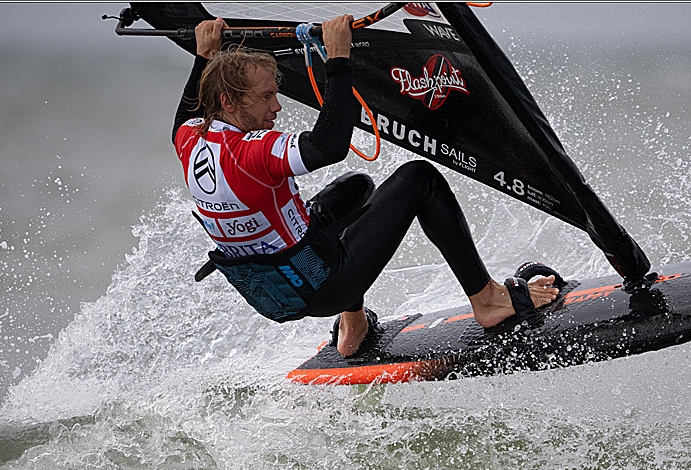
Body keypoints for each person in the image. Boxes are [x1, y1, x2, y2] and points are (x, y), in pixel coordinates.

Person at [174, 16, 558, 356]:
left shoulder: (189, 140)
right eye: (265, 97)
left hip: (275, 293)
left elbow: (187, 112)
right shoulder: (253, 151)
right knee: (420, 178)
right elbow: (328, 146)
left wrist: (204, 55)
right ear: (228, 101)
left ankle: (353, 325)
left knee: (355, 187)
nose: (276, 106)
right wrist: (338, 59)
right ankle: (486, 300)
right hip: (324, 283)